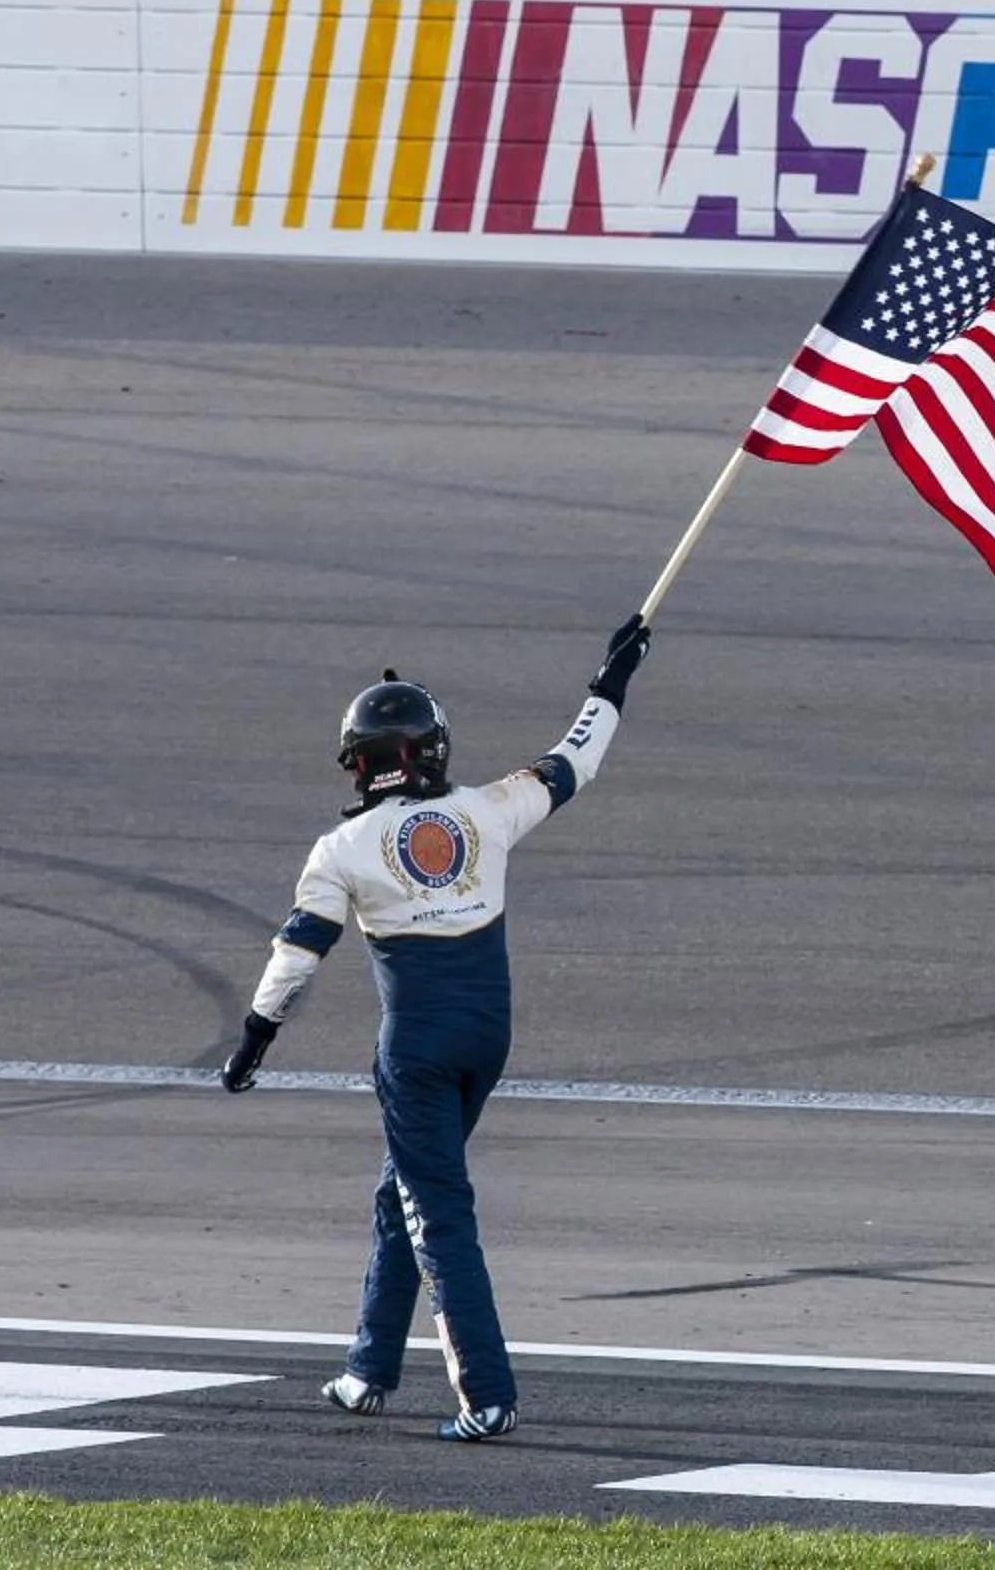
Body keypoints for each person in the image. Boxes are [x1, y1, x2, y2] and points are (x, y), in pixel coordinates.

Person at [218, 616, 653, 1442]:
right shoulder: (489, 811)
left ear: (360, 762)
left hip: (414, 1053)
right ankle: (368, 1370)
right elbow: (575, 759)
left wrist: (253, 1040)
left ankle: (486, 1395)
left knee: (438, 1214)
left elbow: (297, 960)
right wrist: (612, 680)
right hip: (487, 1041)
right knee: (405, 1192)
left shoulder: (341, 849)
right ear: (434, 751)